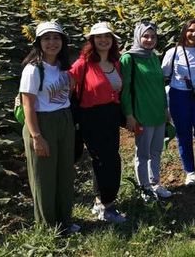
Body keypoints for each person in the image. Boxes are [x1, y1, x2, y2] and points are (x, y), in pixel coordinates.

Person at [19, 21, 78, 235]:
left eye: (56, 38)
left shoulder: (63, 68)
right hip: (41, 123)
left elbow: (65, 95)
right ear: (38, 42)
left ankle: (65, 220)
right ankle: (48, 227)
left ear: (63, 41)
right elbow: (28, 105)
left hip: (63, 119)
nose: (52, 42)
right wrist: (36, 136)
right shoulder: (33, 69)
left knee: (64, 173)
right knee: (44, 177)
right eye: (46, 38)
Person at [69, 22, 126, 223]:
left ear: (112, 41)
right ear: (92, 41)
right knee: (106, 161)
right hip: (91, 117)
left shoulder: (115, 63)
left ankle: (100, 201)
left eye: (107, 37)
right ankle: (107, 207)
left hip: (111, 115)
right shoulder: (82, 64)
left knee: (107, 159)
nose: (104, 40)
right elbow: (66, 88)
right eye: (99, 37)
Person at [120, 21, 171, 200]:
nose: (149, 40)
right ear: (138, 37)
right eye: (145, 36)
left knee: (157, 150)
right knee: (143, 153)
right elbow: (124, 90)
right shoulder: (129, 59)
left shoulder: (154, 57)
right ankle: (144, 188)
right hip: (141, 114)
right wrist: (129, 115)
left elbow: (160, 86)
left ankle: (155, 182)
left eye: (153, 36)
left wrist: (165, 109)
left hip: (157, 112)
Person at [162, 20, 195, 189]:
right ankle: (190, 172)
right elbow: (164, 74)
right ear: (184, 31)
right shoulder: (173, 52)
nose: (194, 35)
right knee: (183, 134)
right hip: (179, 97)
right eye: (191, 31)